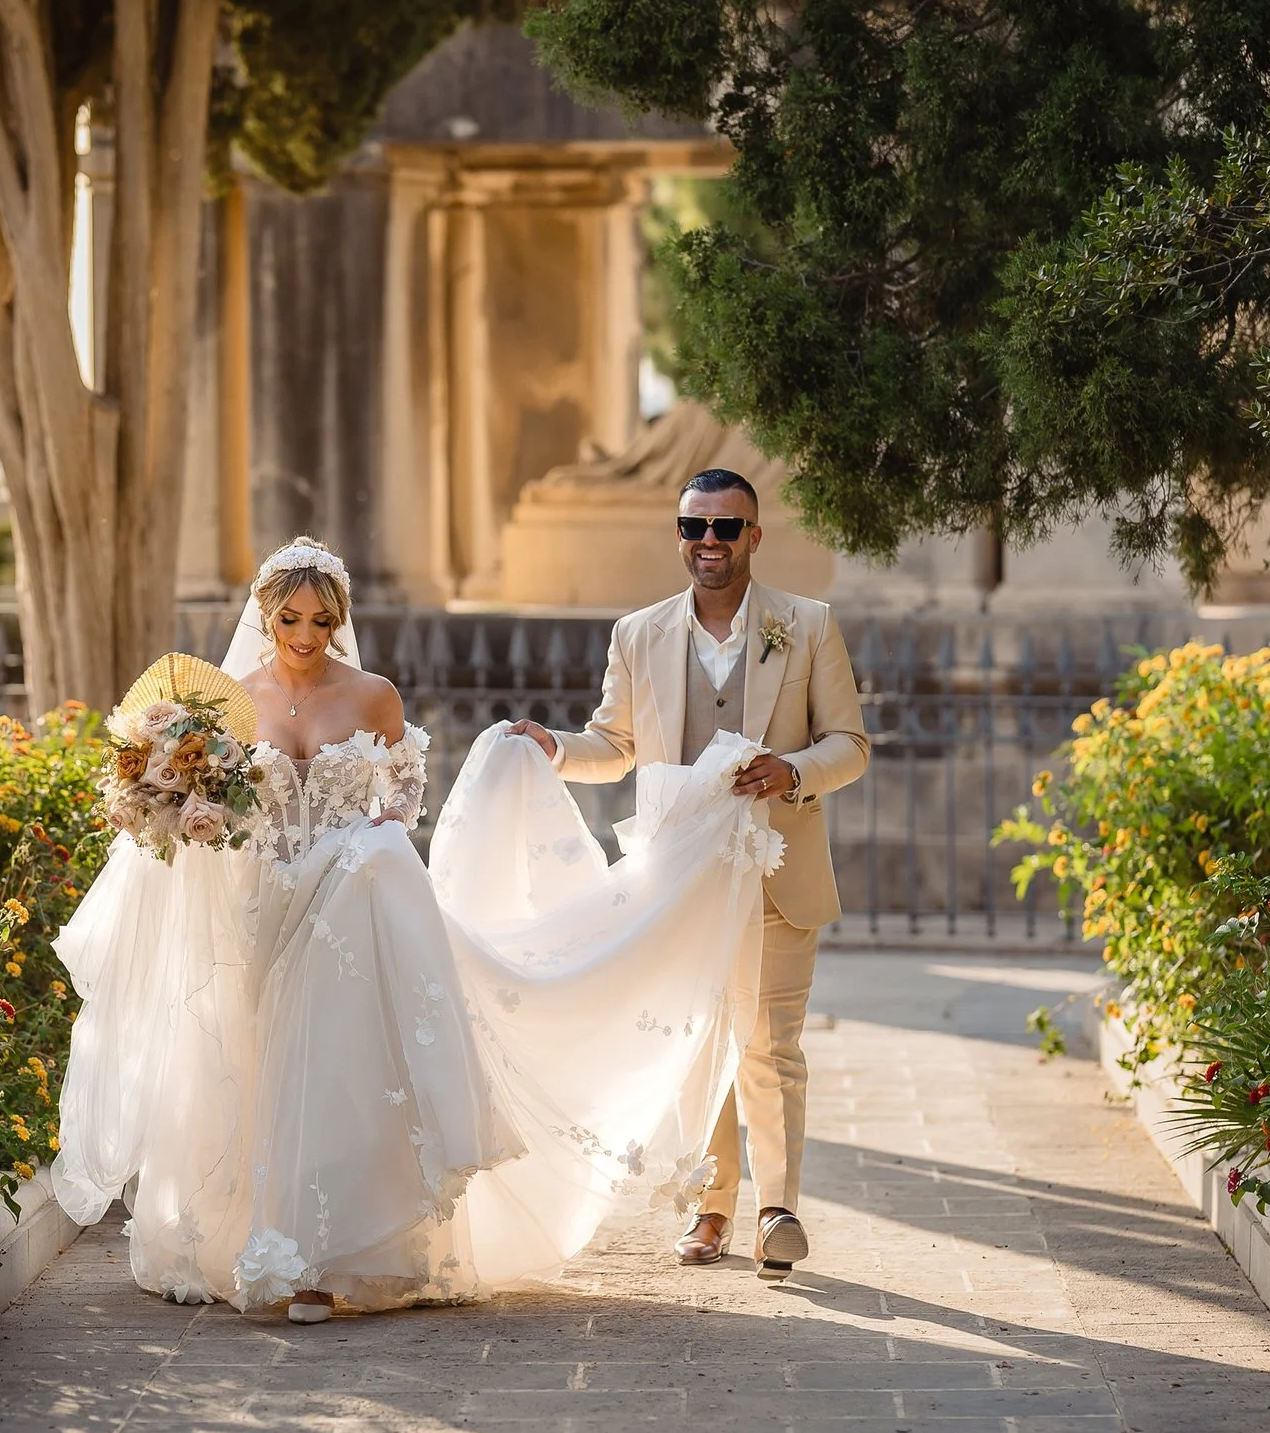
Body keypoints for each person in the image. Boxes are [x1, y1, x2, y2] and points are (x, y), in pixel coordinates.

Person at [52, 538, 789, 1321]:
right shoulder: (227, 704)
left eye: (322, 620)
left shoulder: (372, 695)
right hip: (256, 904)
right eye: (291, 619)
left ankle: (316, 1261)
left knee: (328, 1065)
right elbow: (209, 806)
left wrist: (374, 831)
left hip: (345, 901)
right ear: (265, 616)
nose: (306, 635)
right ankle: (245, 1239)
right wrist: (181, 809)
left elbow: (402, 794)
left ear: (340, 619)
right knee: (250, 1063)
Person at [508, 469, 868, 1279]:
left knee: (769, 1046)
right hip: (680, 886)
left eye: (726, 528)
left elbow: (850, 744)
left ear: (754, 536)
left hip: (776, 875)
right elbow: (616, 745)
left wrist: (793, 770)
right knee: (699, 1046)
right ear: (678, 536)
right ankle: (713, 1208)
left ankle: (776, 1211)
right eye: (694, 527)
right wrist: (555, 749)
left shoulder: (808, 625)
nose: (709, 541)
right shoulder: (638, 635)